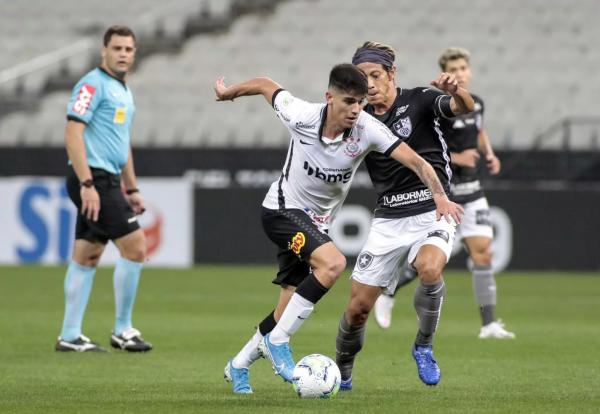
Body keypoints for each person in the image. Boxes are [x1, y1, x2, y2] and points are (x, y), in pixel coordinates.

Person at [213, 63, 463, 393]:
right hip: (282, 210)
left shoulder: (368, 128)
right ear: (329, 98)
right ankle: (278, 341)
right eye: (348, 102)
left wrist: (440, 196)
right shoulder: (300, 114)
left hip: (316, 224)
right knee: (332, 263)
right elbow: (264, 84)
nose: (356, 110)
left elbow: (416, 161)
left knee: (287, 304)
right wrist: (228, 93)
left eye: (360, 102)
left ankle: (239, 365)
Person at [334, 41, 474, 389]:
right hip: (387, 220)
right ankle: (342, 370)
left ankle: (423, 346)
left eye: (376, 75)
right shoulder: (358, 120)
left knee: (429, 268)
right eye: (362, 78)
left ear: (392, 73)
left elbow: (462, 108)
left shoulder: (421, 99)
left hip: (433, 208)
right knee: (356, 311)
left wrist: (458, 92)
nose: (369, 84)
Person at [373, 47, 515, 340]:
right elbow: (428, 143)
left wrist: (489, 153)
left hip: (473, 191)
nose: (460, 73)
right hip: (442, 194)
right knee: (427, 264)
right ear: (445, 71)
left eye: (463, 68)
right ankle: (388, 290)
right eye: (454, 69)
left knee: (483, 253)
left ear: (469, 71)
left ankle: (488, 324)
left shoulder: (477, 103)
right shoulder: (439, 104)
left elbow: (479, 130)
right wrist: (457, 157)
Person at [55, 25, 152, 353]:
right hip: (92, 178)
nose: (123, 54)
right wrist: (86, 184)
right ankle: (123, 329)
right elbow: (72, 132)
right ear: (104, 51)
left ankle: (69, 335)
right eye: (117, 48)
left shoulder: (124, 90)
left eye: (129, 49)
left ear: (134, 53)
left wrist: (132, 187)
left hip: (108, 179)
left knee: (88, 254)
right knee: (136, 246)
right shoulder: (92, 84)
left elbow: (122, 144)